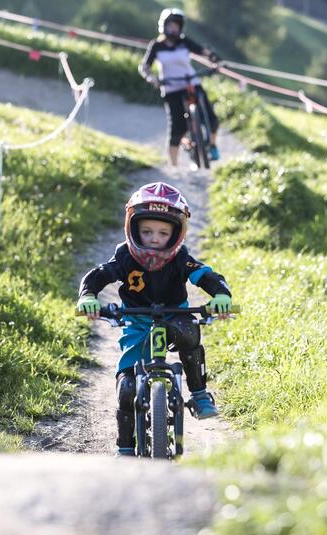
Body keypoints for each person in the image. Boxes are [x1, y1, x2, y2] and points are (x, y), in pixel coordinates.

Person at [76, 182, 232, 457]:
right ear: (133, 228)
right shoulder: (124, 256)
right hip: (137, 322)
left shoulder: (180, 258)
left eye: (162, 233)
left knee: (189, 333)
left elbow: (205, 275)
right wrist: (88, 297)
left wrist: (221, 295)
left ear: (177, 233)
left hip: (175, 315)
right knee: (126, 387)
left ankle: (198, 394)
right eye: (146, 232)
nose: (154, 238)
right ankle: (125, 448)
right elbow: (99, 274)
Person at [138, 8, 221, 167]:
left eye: (177, 25)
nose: (174, 28)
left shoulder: (184, 42)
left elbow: (203, 51)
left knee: (212, 119)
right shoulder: (156, 46)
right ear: (164, 25)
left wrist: (213, 57)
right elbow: (145, 67)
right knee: (177, 129)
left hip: (191, 83)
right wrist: (151, 78)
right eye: (171, 24)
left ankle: (212, 145)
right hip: (171, 88)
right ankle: (174, 167)